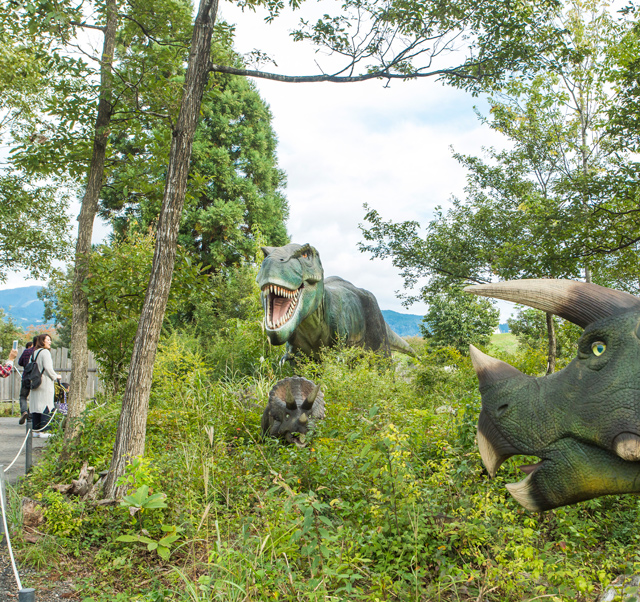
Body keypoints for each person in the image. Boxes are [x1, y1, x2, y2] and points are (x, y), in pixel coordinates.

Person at [28, 334, 61, 439]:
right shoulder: (45, 352)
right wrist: (56, 376)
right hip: (44, 382)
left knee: (36, 406)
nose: (50, 342)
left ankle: (36, 430)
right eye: (47, 340)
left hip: (35, 383)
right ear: (42, 341)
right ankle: (44, 430)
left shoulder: (34, 353)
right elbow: (48, 368)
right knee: (46, 405)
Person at [17, 337, 37, 424]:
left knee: (23, 396)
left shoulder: (26, 351)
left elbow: (20, 362)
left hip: (26, 376)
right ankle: (30, 416)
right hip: (36, 378)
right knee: (34, 397)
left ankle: (24, 412)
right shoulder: (40, 352)